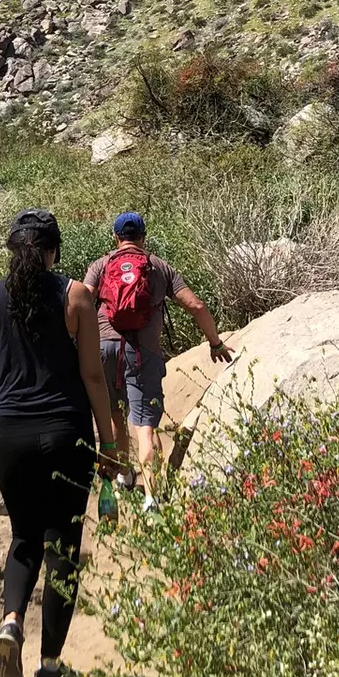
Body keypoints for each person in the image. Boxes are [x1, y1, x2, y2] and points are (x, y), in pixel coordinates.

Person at [0, 208, 116, 677]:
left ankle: (10, 623)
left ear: (13, 249)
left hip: (12, 436)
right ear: (53, 251)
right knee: (63, 545)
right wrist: (110, 443)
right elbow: (93, 375)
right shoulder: (77, 296)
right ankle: (50, 666)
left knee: (23, 538)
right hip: (68, 433)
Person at [86, 211, 233, 504]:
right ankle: (152, 499)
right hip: (143, 352)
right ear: (143, 237)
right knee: (145, 427)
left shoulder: (101, 266)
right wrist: (215, 343)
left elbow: (82, 300)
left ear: (116, 238)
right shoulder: (158, 267)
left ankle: (123, 476)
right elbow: (196, 304)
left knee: (116, 414)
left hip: (106, 348)